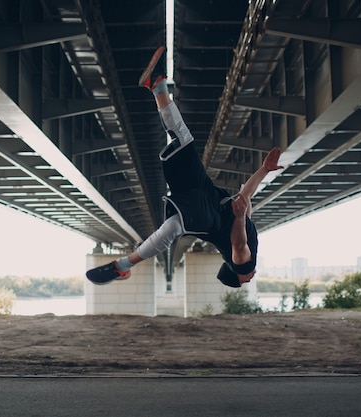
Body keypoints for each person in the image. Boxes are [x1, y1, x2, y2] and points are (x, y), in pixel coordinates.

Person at [86, 46, 284, 288]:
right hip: (208, 197)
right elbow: (247, 194)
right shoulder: (245, 229)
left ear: (236, 274)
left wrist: (241, 218)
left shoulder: (243, 264)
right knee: (183, 141)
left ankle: (123, 266)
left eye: (243, 282)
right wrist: (264, 170)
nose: (249, 279)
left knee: (172, 227)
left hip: (208, 214)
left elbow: (238, 246)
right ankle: (157, 85)